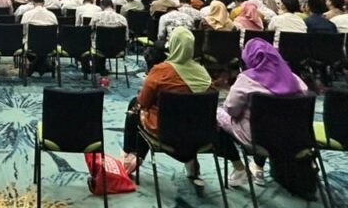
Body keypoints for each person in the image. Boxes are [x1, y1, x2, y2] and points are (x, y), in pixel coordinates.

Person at [122, 27, 212, 184]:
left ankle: (131, 157)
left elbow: (143, 102)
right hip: (200, 132)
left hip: (165, 131)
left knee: (135, 107)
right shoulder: (203, 73)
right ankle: (190, 161)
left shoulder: (161, 71)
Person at [217, 39, 308, 188]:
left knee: (216, 115)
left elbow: (231, 109)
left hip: (256, 140)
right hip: (292, 140)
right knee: (271, 121)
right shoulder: (296, 80)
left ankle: (239, 168)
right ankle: (258, 167)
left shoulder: (246, 79)